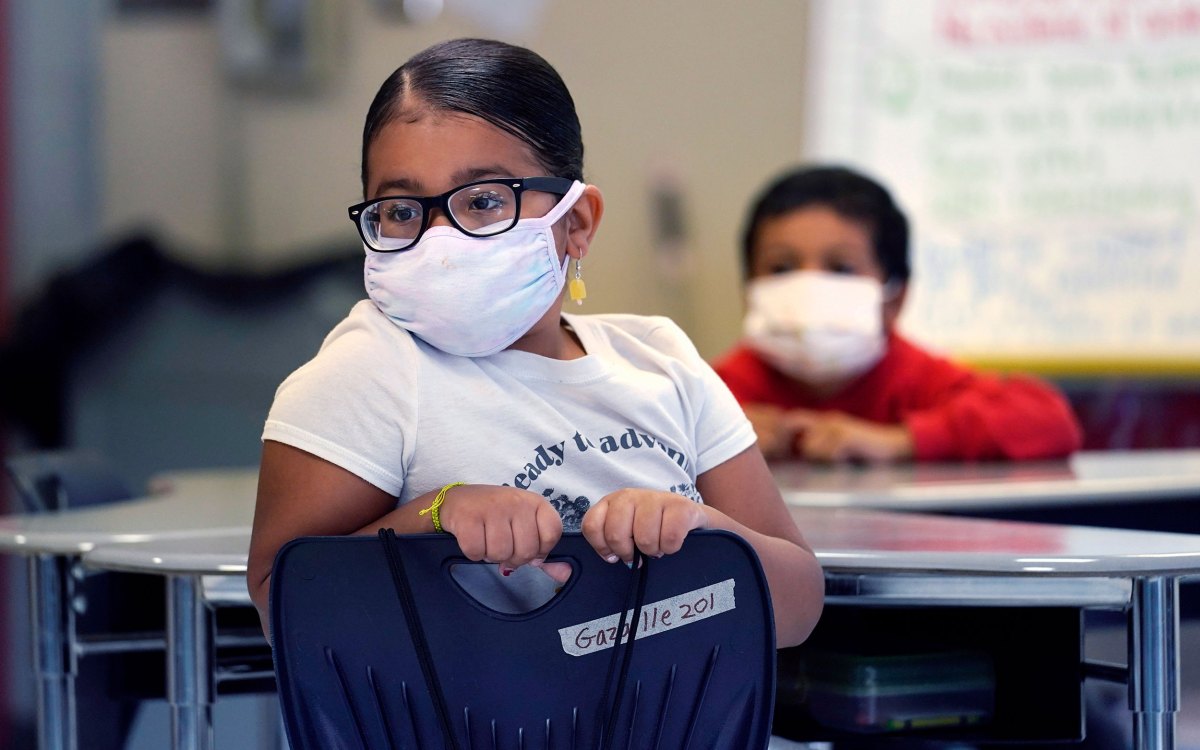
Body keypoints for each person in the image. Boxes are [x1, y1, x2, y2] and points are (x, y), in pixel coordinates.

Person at [246, 38, 823, 664]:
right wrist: (435, 516)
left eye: (485, 201)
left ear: (577, 223)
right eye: (403, 210)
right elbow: (284, 606)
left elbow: (796, 608)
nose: (440, 240)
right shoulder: (366, 373)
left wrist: (706, 530)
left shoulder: (661, 357)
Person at [714, 165, 1083, 463]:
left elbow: (1049, 420)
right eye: (781, 268)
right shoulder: (716, 393)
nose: (808, 286)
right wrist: (716, 443)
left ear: (895, 297)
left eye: (841, 268)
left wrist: (899, 440)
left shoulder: (915, 378)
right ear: (748, 289)